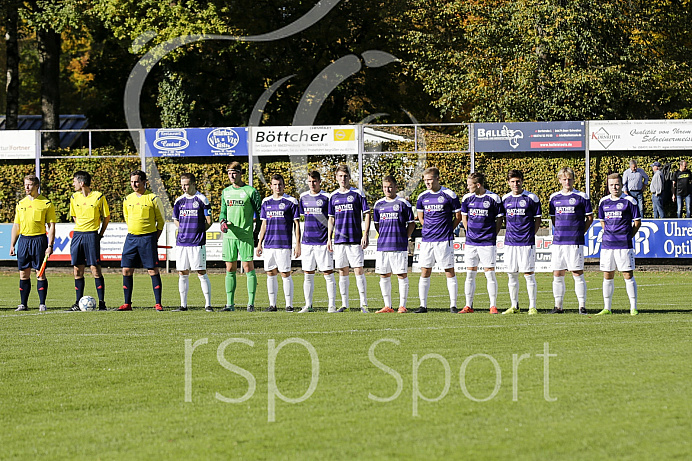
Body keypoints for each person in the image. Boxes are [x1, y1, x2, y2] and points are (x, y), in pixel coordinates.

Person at [415, 167, 462, 313]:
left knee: (449, 270)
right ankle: (423, 305)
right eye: (425, 180)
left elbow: (458, 216)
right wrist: (429, 229)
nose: (427, 182)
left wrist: (448, 229)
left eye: (430, 179)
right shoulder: (422, 197)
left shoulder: (449, 195)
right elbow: (421, 217)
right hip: (428, 240)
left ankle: (453, 305)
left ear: (437, 179)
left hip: (444, 239)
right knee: (425, 271)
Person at [118, 170, 165, 311]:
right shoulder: (127, 199)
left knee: (152, 270)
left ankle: (158, 303)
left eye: (137, 181)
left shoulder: (153, 198)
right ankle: (127, 303)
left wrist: (153, 238)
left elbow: (161, 221)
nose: (134, 184)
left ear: (144, 182)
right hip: (131, 238)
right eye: (132, 181)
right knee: (126, 270)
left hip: (148, 238)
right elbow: (127, 218)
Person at [548, 167, 594, 314]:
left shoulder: (582, 197)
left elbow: (590, 218)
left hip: (575, 241)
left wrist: (580, 232)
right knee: (558, 273)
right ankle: (558, 306)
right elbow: (554, 219)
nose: (567, 182)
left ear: (574, 180)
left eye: (570, 179)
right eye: (564, 179)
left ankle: (582, 306)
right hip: (559, 242)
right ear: (560, 180)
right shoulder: (554, 198)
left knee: (577, 272)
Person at [596, 173, 641, 316]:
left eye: (617, 184)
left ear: (621, 185)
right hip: (607, 245)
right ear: (608, 186)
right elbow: (602, 222)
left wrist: (627, 235)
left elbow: (637, 223)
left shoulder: (630, 201)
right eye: (611, 185)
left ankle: (633, 307)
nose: (614, 187)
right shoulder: (603, 202)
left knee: (627, 275)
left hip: (624, 245)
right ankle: (607, 308)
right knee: (607, 275)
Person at [9, 174, 56, 311]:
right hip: (24, 240)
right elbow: (16, 226)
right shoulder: (21, 203)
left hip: (39, 240)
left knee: (40, 272)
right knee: (23, 273)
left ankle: (42, 304)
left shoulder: (46, 203)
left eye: (29, 184)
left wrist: (50, 245)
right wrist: (13, 244)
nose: (26, 187)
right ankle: (23, 304)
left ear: (36, 186)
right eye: (25, 184)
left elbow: (51, 226)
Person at [327, 164, 371, 313]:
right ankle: (344, 304)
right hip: (339, 240)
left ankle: (363, 304)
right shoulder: (333, 196)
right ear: (336, 178)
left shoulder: (358, 193)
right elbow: (331, 219)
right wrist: (329, 238)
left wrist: (365, 234)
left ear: (349, 177)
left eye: (345, 176)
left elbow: (367, 213)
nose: (343, 179)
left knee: (358, 270)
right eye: (340, 176)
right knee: (342, 271)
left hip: (355, 239)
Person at [459, 172, 504, 314]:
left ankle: (493, 306)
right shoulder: (467, 198)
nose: (467, 187)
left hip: (487, 243)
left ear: (478, 185)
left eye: (469, 185)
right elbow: (464, 218)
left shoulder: (493, 198)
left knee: (489, 273)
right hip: (471, 242)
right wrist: (469, 233)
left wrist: (491, 235)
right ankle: (468, 305)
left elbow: (499, 220)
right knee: (470, 274)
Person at [219, 162, 261, 312]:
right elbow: (222, 212)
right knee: (230, 268)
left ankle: (251, 303)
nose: (231, 175)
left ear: (240, 173)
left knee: (247, 267)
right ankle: (230, 304)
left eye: (234, 172)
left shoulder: (251, 191)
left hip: (245, 235)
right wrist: (222, 221)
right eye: (229, 172)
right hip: (230, 236)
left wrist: (256, 233)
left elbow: (260, 214)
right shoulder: (225, 192)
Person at [256, 174, 301, 312]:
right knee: (270, 273)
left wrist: (297, 244)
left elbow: (297, 224)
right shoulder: (266, 202)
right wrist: (259, 243)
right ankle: (272, 305)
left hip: (284, 244)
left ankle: (289, 305)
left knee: (285, 273)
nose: (278, 187)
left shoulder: (291, 201)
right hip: (269, 245)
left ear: (284, 185)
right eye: (275, 184)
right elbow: (264, 224)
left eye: (280, 184)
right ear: (271, 186)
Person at [501, 170, 542, 315]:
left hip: (526, 242)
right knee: (511, 274)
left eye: (518, 181)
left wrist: (531, 233)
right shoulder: (505, 199)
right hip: (510, 242)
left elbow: (537, 219)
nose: (515, 184)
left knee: (529, 274)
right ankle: (514, 305)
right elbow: (503, 219)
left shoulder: (532, 198)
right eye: (512, 181)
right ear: (508, 183)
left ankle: (532, 306)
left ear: (522, 181)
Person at [373, 176, 416, 313]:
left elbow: (411, 223)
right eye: (385, 187)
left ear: (396, 187)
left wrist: (406, 236)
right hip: (383, 246)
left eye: (390, 186)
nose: (388, 189)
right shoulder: (378, 204)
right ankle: (387, 306)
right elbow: (377, 225)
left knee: (401, 274)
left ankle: (402, 306)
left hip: (399, 245)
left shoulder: (403, 203)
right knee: (384, 275)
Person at [68, 170, 110, 311]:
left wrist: (100, 233)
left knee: (94, 268)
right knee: (77, 269)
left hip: (91, 235)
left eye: (74, 181)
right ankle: (77, 302)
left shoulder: (98, 197)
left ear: (82, 183)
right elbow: (74, 216)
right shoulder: (74, 197)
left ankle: (102, 302)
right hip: (78, 235)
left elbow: (106, 217)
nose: (73, 184)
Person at [172, 173, 213, 312]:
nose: (184, 187)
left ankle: (208, 304)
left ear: (194, 184)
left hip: (197, 243)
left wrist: (199, 231)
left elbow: (209, 221)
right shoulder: (179, 201)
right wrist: (183, 229)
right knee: (182, 273)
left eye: (187, 184)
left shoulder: (202, 199)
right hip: (182, 243)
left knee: (201, 272)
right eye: (182, 184)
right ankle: (183, 305)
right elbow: (175, 219)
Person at [298, 171, 336, 313]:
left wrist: (329, 239)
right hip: (307, 242)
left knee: (328, 273)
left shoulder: (327, 197)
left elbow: (331, 219)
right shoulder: (303, 197)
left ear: (319, 181)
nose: (312, 184)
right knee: (308, 274)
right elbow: (302, 219)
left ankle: (331, 305)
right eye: (309, 181)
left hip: (322, 242)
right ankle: (308, 305)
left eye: (314, 181)